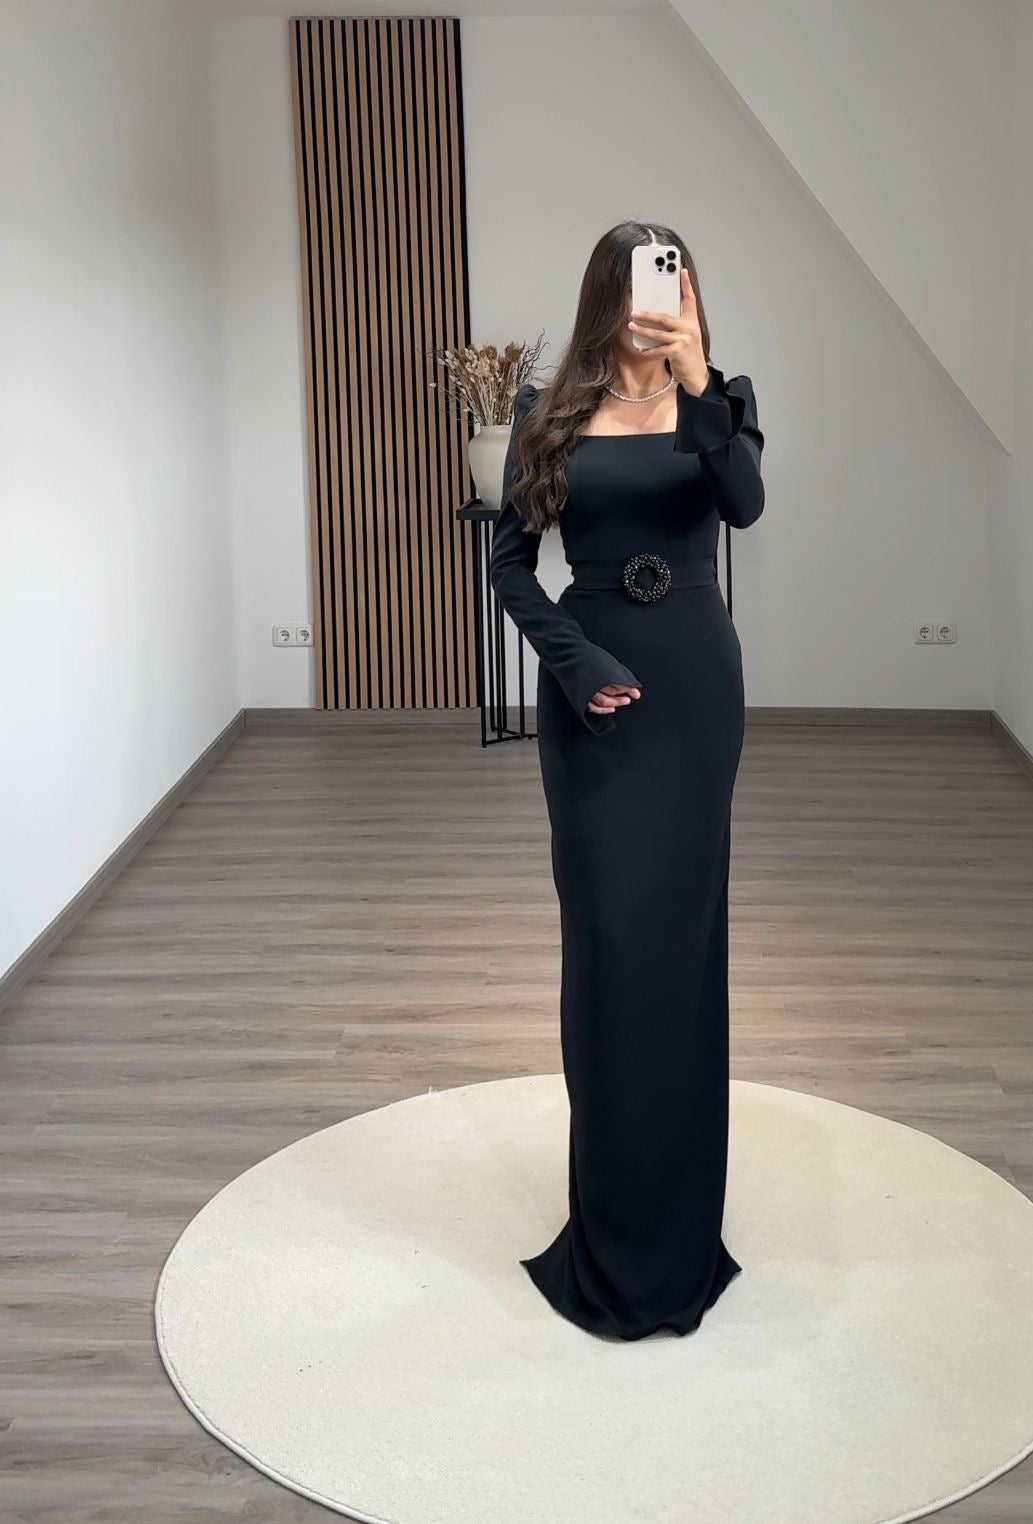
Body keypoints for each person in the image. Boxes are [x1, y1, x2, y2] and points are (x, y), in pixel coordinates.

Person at [489, 220, 765, 1341]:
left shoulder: (724, 403)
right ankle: (608, 1234)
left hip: (695, 691)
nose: (663, 296)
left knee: (683, 951)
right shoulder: (544, 411)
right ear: (610, 291)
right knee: (607, 946)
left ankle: (681, 1236)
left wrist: (698, 379)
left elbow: (743, 505)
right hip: (593, 697)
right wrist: (576, 661)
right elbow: (510, 566)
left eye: (679, 278)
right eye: (649, 279)